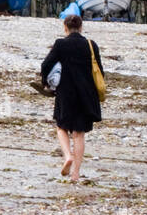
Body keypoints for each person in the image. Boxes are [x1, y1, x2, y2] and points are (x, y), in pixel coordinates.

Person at [39, 14, 103, 181]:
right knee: (79, 134)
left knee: (61, 127)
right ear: (81, 28)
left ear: (65, 28)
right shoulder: (91, 45)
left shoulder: (61, 44)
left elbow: (45, 65)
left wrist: (46, 83)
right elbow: (100, 71)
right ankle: (75, 174)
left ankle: (68, 156)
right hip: (86, 94)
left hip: (65, 92)